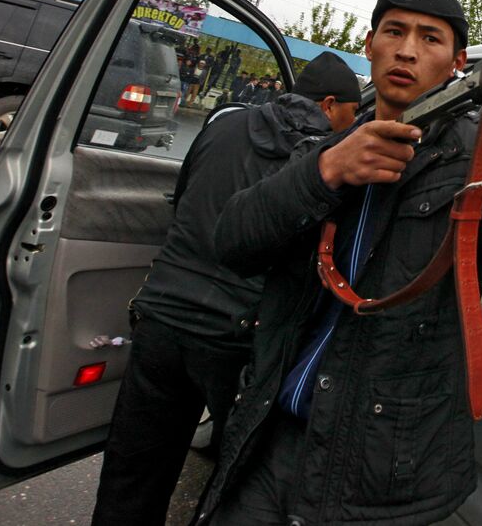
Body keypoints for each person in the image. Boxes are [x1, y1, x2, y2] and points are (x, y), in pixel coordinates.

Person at [196, 0, 482, 526]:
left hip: (383, 480)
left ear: (458, 62)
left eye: (430, 38)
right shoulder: (322, 148)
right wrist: (327, 171)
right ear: (370, 43)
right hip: (269, 445)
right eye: (394, 32)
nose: (407, 49)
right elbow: (232, 242)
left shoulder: (481, 161)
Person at [90, 52, 363, 526]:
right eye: (352, 113)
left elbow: (184, 198)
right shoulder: (321, 159)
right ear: (330, 104)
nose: (354, 123)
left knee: (132, 474)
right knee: (234, 484)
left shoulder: (221, 125)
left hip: (161, 316)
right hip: (234, 338)